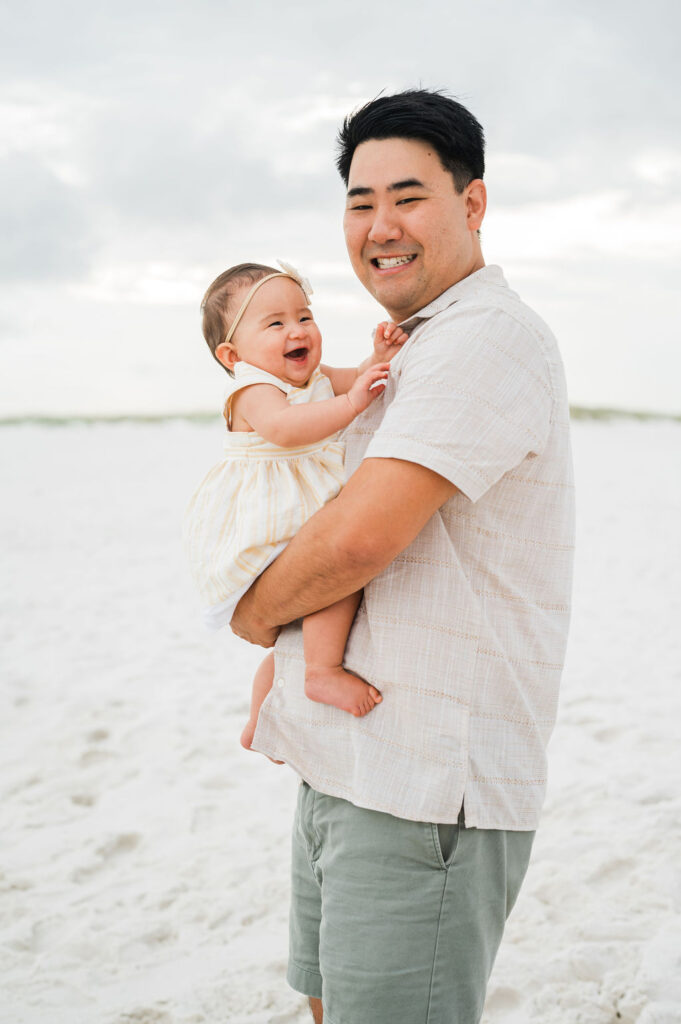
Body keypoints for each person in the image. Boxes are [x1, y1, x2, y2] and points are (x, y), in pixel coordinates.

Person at [231, 89, 575, 1024]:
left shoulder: (483, 339)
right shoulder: (416, 347)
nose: (379, 225)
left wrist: (253, 615)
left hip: (425, 786)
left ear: (471, 205)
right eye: (358, 201)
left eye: (409, 196)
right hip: (346, 763)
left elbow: (360, 536)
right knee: (328, 1002)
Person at [184, 261, 408, 748]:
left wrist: (379, 355)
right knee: (336, 583)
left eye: (304, 316)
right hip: (266, 519)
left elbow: (358, 379)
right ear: (232, 354)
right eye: (275, 323)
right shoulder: (252, 389)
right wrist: (350, 408)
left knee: (293, 634)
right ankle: (321, 671)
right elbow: (286, 430)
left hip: (299, 504)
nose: (297, 330)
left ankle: (259, 719)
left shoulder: (316, 378)